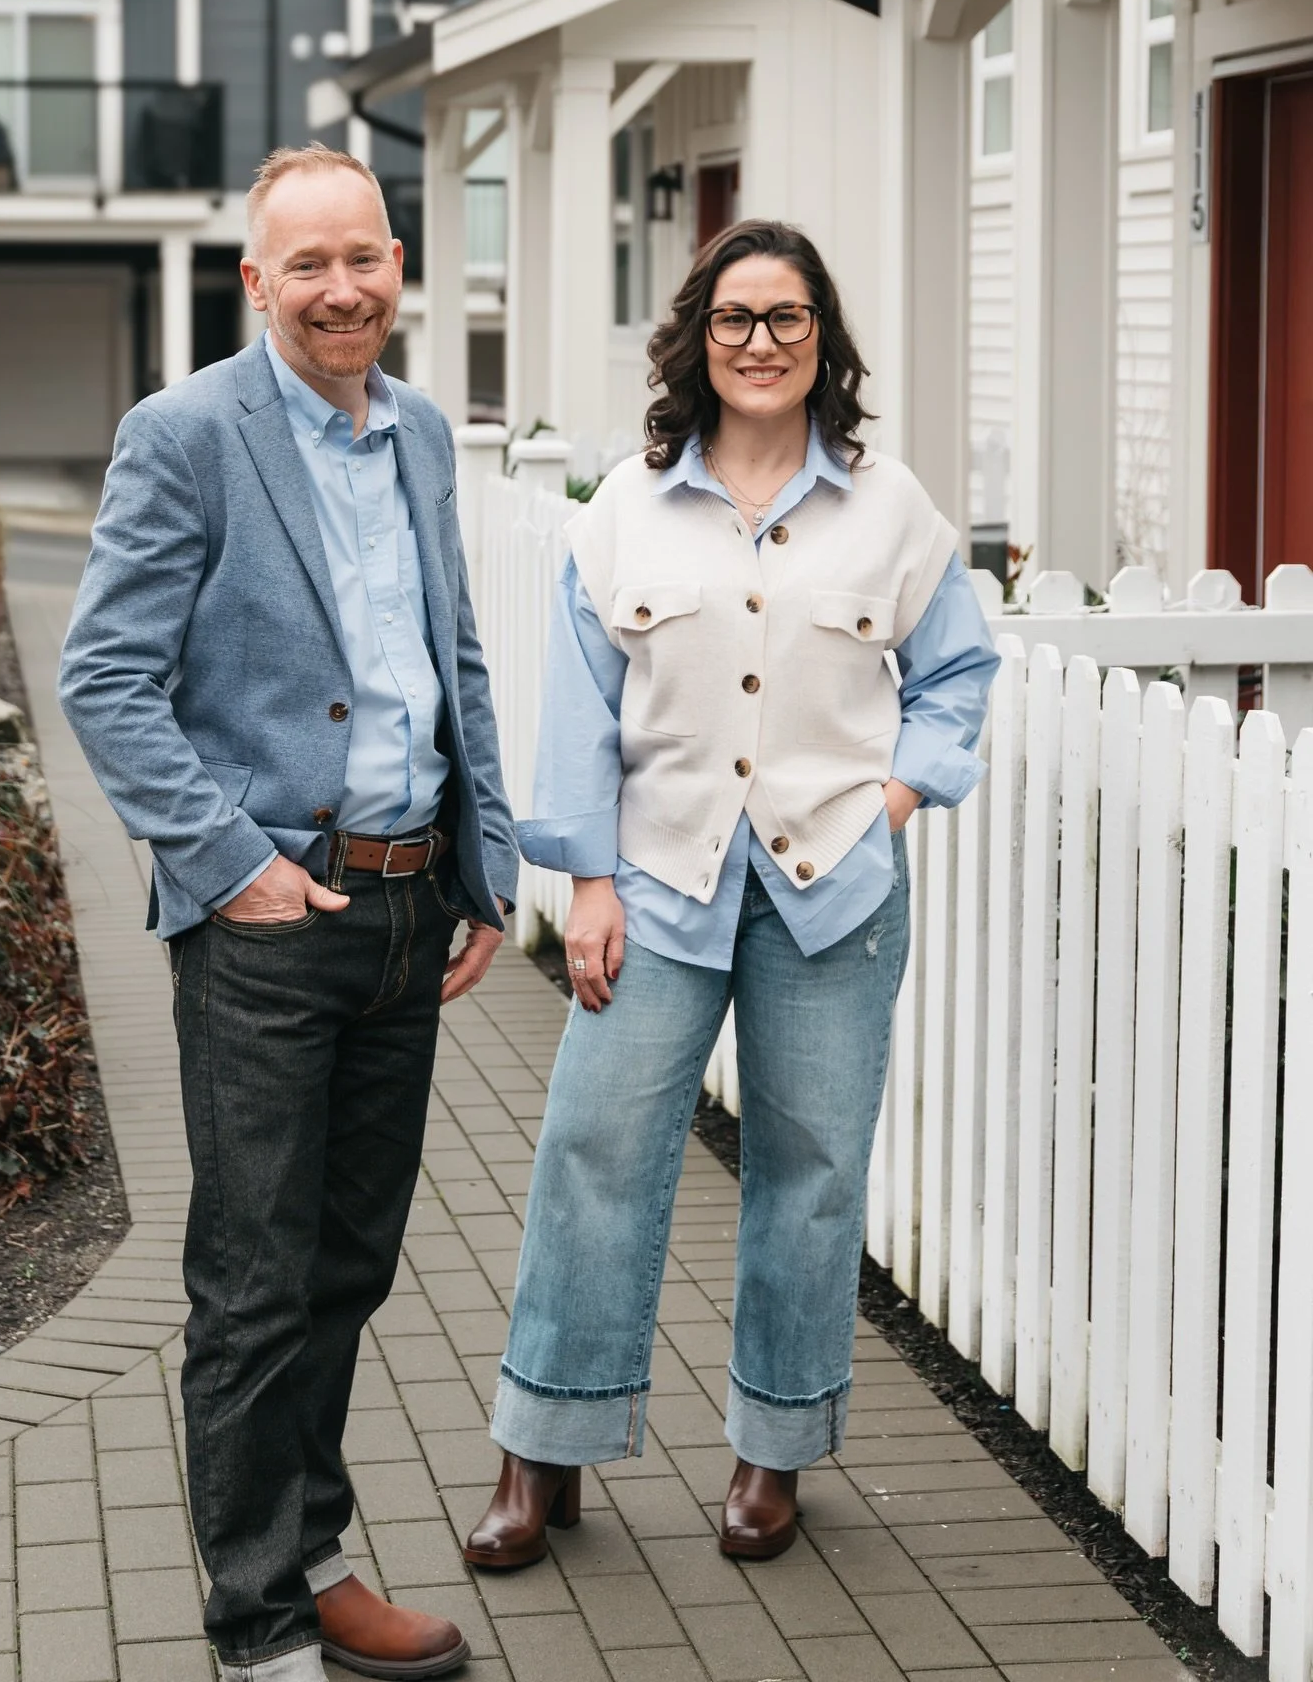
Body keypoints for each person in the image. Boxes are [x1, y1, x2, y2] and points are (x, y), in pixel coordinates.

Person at [463, 218, 1000, 1571]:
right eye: (735, 319)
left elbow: (956, 678)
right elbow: (581, 713)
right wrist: (587, 884)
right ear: (697, 341)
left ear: (823, 340)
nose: (761, 342)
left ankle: (775, 1451)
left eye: (787, 318)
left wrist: (892, 803)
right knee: (592, 1149)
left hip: (836, 893)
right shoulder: (626, 510)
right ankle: (542, 1450)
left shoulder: (892, 508)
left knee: (810, 1170)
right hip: (657, 882)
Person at [60, 144, 517, 1681]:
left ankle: (310, 1560)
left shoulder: (423, 432)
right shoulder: (186, 435)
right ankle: (259, 1629)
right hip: (266, 924)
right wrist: (228, 862)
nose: (340, 290)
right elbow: (104, 679)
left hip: (407, 910)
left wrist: (484, 867)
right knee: (255, 1288)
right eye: (306, 264)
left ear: (400, 268)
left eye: (362, 258)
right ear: (256, 281)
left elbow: (452, 654)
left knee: (346, 1269)